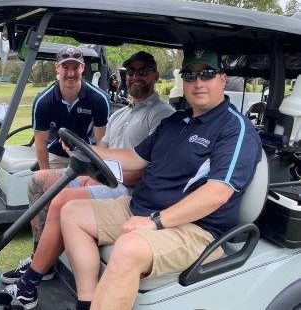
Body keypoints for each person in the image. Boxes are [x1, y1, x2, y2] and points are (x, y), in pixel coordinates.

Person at [60, 47, 262, 310]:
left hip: (195, 228)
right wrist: (90, 149)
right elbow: (134, 157)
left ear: (222, 79)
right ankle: (86, 302)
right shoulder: (176, 121)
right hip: (141, 208)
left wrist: (154, 223)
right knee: (72, 212)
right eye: (190, 76)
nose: (198, 83)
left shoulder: (235, 129)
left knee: (128, 247)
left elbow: (218, 192)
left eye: (207, 74)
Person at [2, 51, 174, 309]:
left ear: (155, 76)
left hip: (128, 190)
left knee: (64, 200)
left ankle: (29, 285)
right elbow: (102, 149)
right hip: (108, 180)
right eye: (131, 72)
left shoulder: (161, 115)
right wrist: (89, 172)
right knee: (41, 181)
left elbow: (143, 171)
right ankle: (41, 258)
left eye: (143, 71)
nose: (135, 77)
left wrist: (99, 178)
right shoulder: (122, 113)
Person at [32, 45, 110, 170]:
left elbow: (102, 141)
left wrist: (97, 168)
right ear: (57, 67)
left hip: (88, 154)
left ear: (83, 68)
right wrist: (45, 175)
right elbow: (40, 143)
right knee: (39, 183)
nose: (71, 73)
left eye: (76, 67)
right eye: (65, 67)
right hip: (56, 155)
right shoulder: (44, 101)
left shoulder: (99, 99)